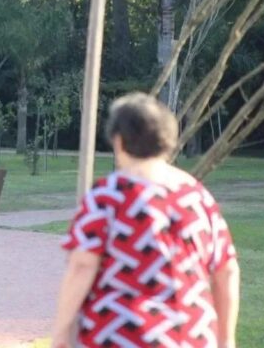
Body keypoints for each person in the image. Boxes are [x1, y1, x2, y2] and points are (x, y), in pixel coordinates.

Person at [52, 93, 240, 348]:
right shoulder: (198, 197)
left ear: (119, 141)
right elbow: (226, 270)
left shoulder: (108, 196)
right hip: (191, 335)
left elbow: (82, 266)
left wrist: (61, 334)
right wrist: (226, 339)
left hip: (120, 333)